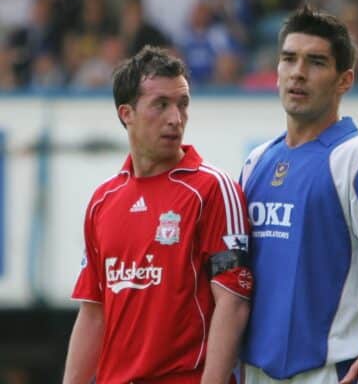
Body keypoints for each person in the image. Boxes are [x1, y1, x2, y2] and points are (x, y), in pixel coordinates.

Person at [239, 5, 358, 384]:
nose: (298, 73)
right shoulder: (256, 162)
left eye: (316, 62)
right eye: (289, 59)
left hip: (330, 372)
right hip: (255, 370)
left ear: (345, 80)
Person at [62, 45, 252, 384]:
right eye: (160, 104)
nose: (175, 118)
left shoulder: (212, 189)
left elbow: (233, 302)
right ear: (126, 113)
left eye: (182, 104)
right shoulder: (102, 201)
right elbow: (93, 313)